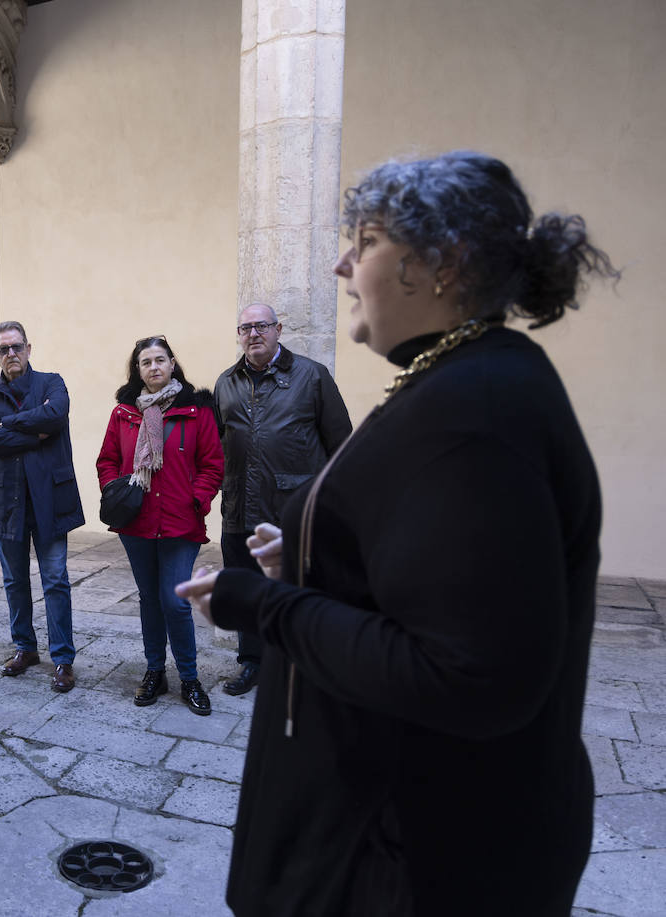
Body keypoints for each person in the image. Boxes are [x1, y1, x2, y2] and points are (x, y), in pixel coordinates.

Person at [176, 151, 617, 916]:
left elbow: (468, 675)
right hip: (399, 835)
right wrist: (319, 562)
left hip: (423, 858)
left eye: (368, 239)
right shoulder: (462, 379)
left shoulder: (478, 411)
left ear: (439, 263)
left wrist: (264, 606)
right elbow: (428, 570)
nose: (345, 263)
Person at [213, 304, 351, 695]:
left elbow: (340, 442)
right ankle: (252, 663)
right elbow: (218, 445)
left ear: (278, 329)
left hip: (294, 506)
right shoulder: (226, 382)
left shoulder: (312, 375)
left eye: (261, 326)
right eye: (245, 327)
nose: (253, 333)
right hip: (239, 505)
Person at [96, 336, 223, 714]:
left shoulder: (196, 412)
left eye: (160, 360)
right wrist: (116, 491)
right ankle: (155, 671)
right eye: (146, 362)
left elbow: (213, 464)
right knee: (150, 600)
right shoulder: (124, 413)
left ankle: (189, 677)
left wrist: (196, 499)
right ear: (137, 370)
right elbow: (107, 460)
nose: (154, 367)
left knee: (175, 601)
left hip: (180, 524)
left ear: (172, 364)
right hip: (137, 523)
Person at [0, 321, 83, 692]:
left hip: (50, 498)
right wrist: (32, 432)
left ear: (29, 348)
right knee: (14, 580)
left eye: (16, 347)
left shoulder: (52, 383)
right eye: (3, 349)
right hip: (8, 501)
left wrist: (10, 424)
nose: (11, 354)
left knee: (55, 580)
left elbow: (56, 416)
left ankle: (63, 659)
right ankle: (25, 648)